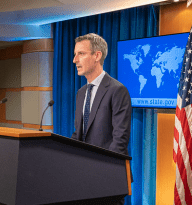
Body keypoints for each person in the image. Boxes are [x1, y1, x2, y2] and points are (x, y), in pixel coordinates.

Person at [71, 33, 132, 205]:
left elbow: (120, 141)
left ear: (97, 56)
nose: (75, 60)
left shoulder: (117, 90)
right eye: (75, 54)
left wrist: (100, 173)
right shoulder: (81, 93)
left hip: (108, 178)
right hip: (84, 177)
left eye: (81, 54)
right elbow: (78, 135)